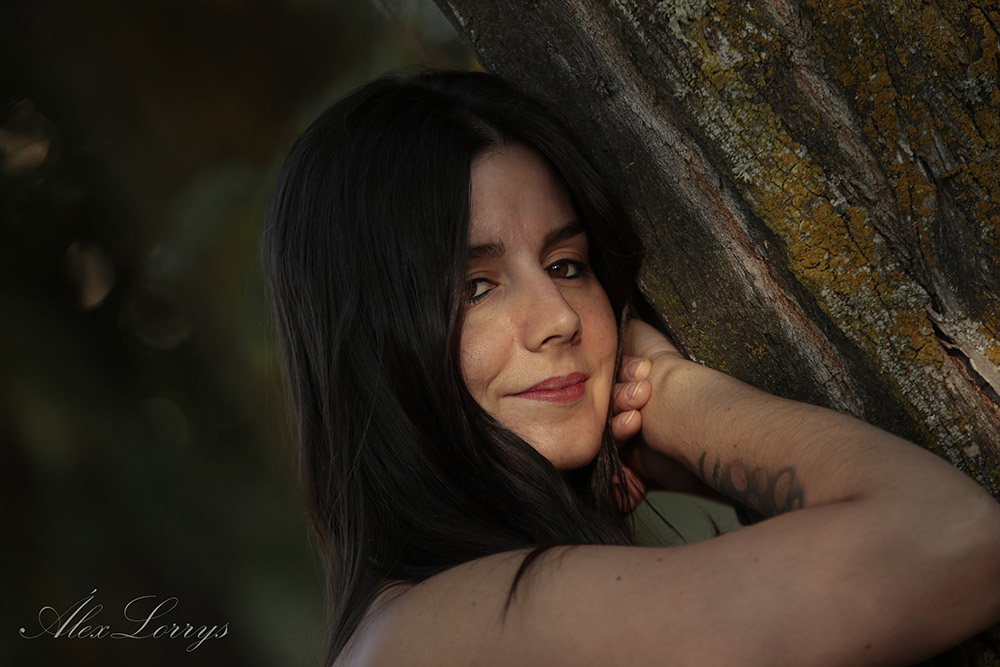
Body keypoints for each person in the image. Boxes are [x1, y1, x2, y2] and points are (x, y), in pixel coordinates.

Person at [261, 70, 1000, 666]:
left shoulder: (423, 622)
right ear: (371, 346)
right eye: (474, 287)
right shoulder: (461, 624)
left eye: (566, 264)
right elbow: (954, 537)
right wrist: (683, 399)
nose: (559, 318)